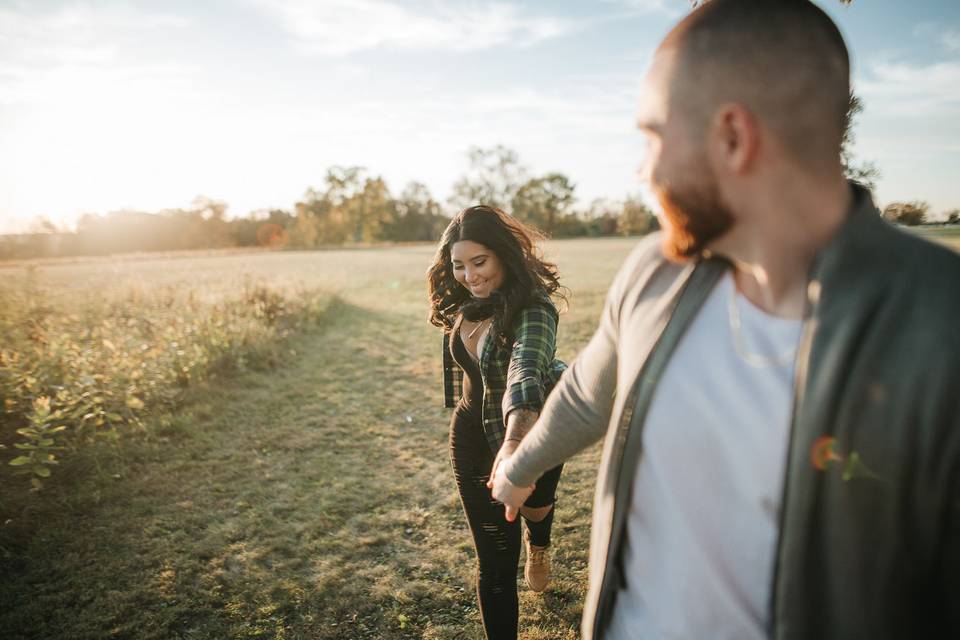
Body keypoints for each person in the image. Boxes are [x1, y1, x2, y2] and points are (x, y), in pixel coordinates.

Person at [489, 1, 960, 639]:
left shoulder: (939, 324)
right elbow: (586, 394)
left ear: (732, 138)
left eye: (654, 137)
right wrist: (519, 467)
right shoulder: (655, 271)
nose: (642, 171)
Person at [427, 205, 568, 640]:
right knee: (494, 563)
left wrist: (513, 446)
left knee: (537, 507)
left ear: (505, 255)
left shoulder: (534, 310)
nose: (469, 276)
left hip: (531, 433)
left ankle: (539, 545)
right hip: (470, 436)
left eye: (480, 262)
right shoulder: (465, 305)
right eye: (459, 266)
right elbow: (468, 372)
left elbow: (524, 373)